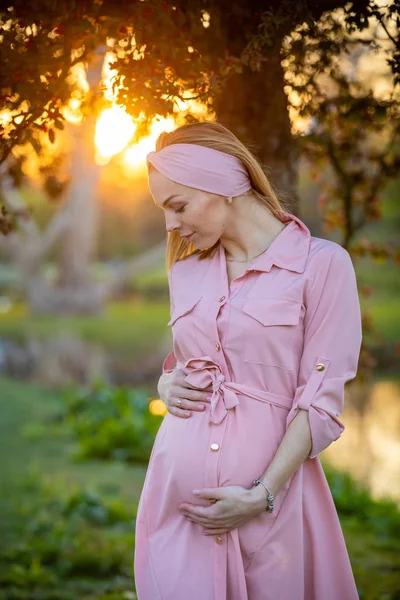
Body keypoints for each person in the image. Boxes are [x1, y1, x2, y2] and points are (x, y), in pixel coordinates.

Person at [134, 122, 362, 600]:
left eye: (178, 206)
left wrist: (262, 495)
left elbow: (319, 402)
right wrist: (167, 384)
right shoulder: (186, 270)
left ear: (225, 187)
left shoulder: (322, 266)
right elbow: (188, 360)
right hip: (178, 505)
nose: (171, 225)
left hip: (268, 511)